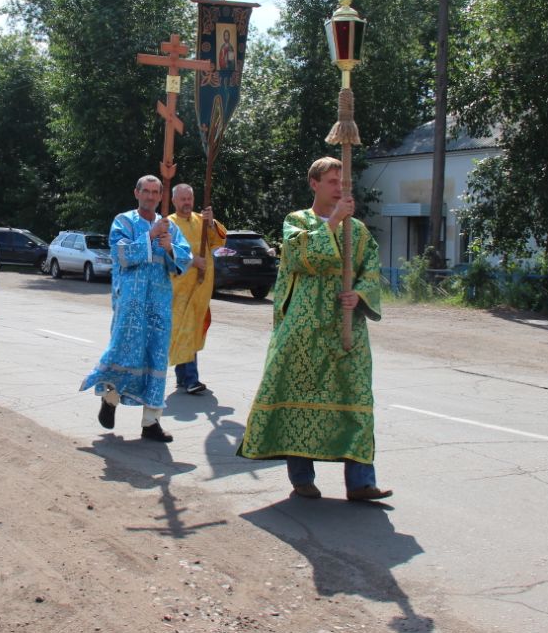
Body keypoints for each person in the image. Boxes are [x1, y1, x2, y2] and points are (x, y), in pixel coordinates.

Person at [237, 156, 392, 502]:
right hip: (305, 329)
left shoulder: (360, 230)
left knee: (355, 398)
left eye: (344, 183)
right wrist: (335, 222)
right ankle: (302, 478)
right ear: (315, 184)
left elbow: (369, 269)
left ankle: (361, 482)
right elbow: (299, 257)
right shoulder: (297, 221)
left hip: (346, 329)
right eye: (333, 182)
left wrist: (360, 294)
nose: (340, 189)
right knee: (301, 401)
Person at [80, 175, 191, 442]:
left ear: (161, 196)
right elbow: (121, 256)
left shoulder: (169, 226)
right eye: (147, 192)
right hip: (130, 301)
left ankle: (151, 422)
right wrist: (150, 236)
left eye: (156, 192)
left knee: (156, 356)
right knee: (125, 351)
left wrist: (170, 248)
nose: (151, 197)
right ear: (137, 193)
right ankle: (110, 398)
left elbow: (183, 258)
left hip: (159, 301)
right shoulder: (124, 221)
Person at [168, 183, 227, 395]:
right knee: (184, 330)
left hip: (200, 287)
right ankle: (191, 379)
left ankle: (184, 378)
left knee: (191, 330)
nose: (186, 203)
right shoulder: (169, 224)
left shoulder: (200, 220)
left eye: (189, 199)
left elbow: (218, 241)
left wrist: (211, 223)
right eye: (182, 199)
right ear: (174, 201)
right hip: (179, 288)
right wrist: (193, 261)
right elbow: (167, 252)